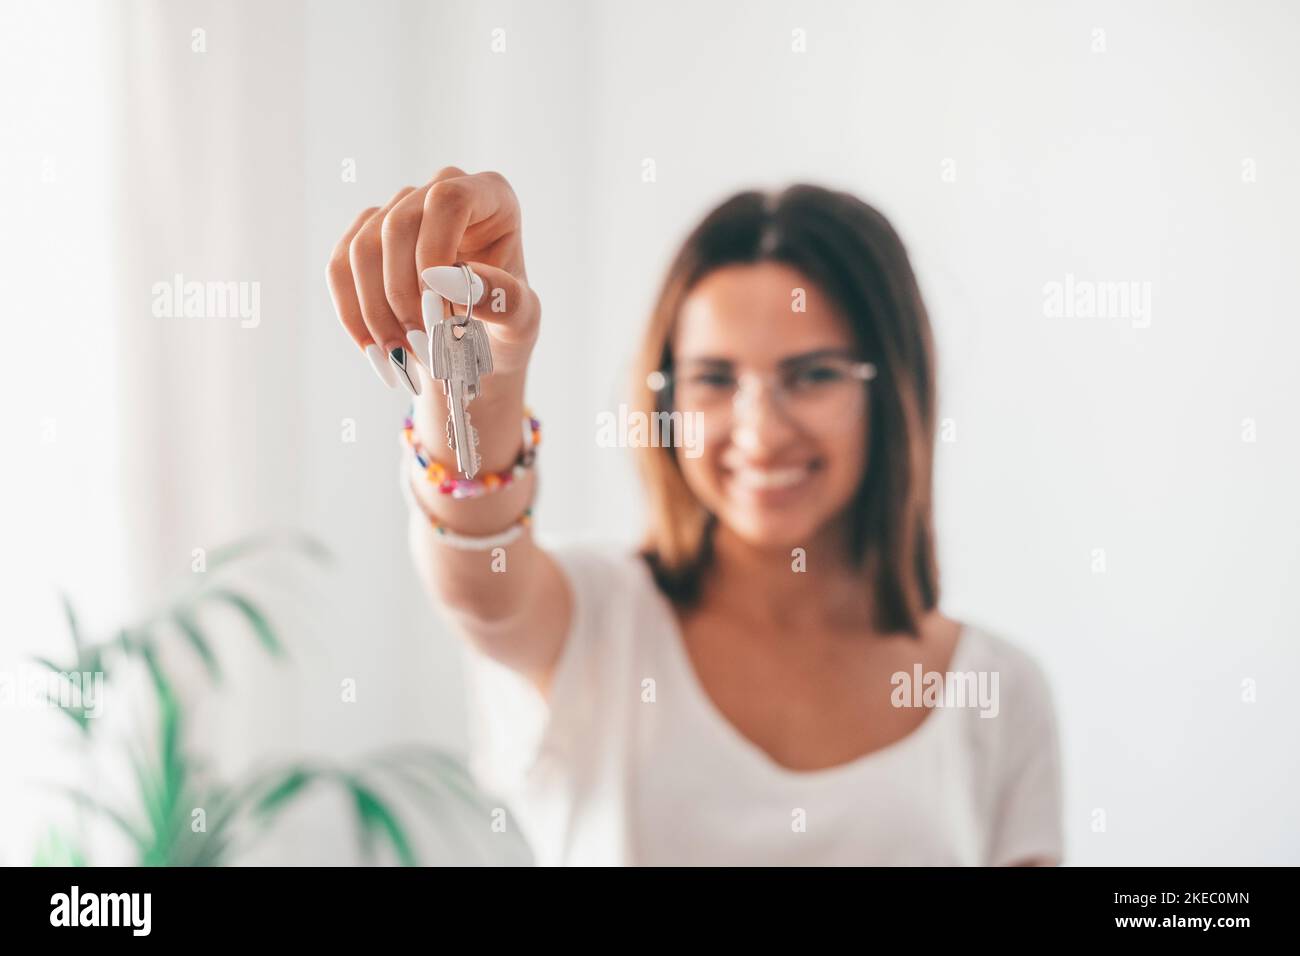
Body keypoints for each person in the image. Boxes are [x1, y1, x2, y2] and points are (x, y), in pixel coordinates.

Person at [325, 168, 1064, 866]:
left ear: (892, 390)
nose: (761, 430)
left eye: (811, 375)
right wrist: (483, 384)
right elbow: (478, 582)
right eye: (714, 378)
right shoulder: (592, 623)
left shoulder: (998, 689)